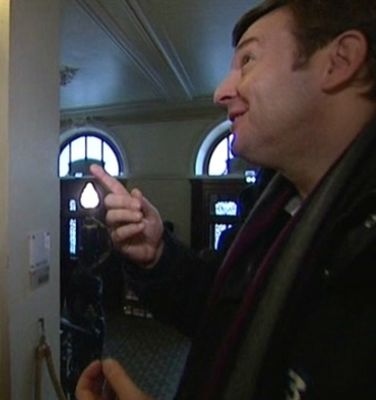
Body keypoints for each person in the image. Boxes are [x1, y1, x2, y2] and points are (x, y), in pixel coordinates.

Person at [76, 0, 376, 399]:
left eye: (248, 59)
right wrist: (157, 256)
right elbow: (220, 311)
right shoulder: (269, 203)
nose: (221, 92)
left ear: (340, 61)